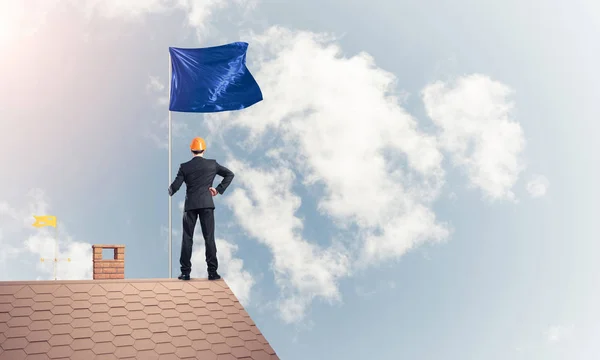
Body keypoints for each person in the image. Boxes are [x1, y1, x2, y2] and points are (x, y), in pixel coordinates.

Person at [168, 137, 234, 281]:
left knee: (187, 239)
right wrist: (218, 189)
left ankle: (185, 273)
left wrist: (170, 190)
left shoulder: (184, 167)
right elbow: (230, 174)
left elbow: (176, 185)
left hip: (190, 205)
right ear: (204, 149)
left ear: (191, 150)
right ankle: (212, 272)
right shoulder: (212, 164)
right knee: (209, 238)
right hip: (206, 204)